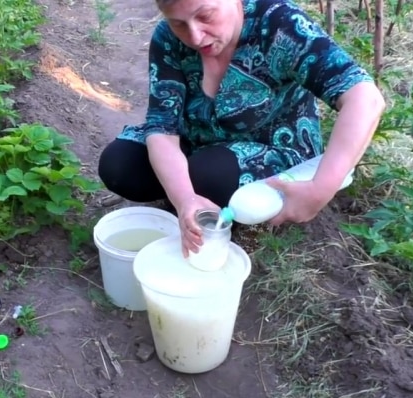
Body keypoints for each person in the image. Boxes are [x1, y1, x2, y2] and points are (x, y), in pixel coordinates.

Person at [97, 0, 385, 257]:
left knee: (206, 176)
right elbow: (162, 127)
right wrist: (183, 198)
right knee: (119, 166)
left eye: (205, 15)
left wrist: (320, 189)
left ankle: (216, 197)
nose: (195, 36)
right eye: (179, 23)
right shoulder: (168, 39)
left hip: (271, 145)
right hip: (196, 137)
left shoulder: (279, 24)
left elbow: (365, 98)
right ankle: (193, 198)